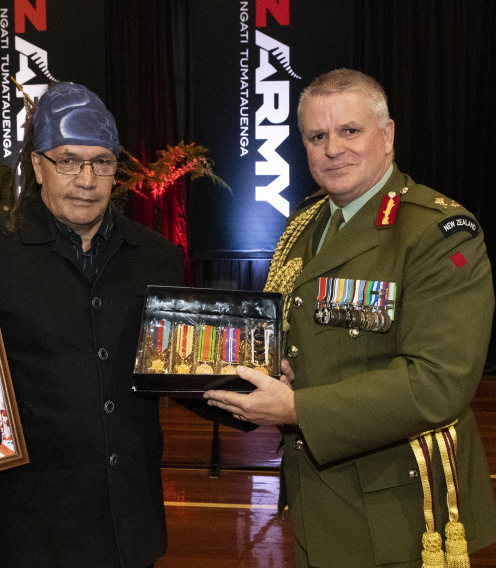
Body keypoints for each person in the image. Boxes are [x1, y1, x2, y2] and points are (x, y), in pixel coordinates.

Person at [0, 81, 247, 568]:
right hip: (26, 531)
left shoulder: (155, 256)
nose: (88, 179)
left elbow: (176, 368)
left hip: (127, 526)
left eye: (103, 161)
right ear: (36, 165)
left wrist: (247, 393)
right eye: (68, 160)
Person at [204, 68, 496, 567]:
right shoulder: (306, 222)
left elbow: (438, 381)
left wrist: (299, 410)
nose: (332, 148)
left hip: (399, 506)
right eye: (318, 136)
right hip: (315, 488)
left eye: (349, 131)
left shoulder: (438, 232)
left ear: (387, 136)